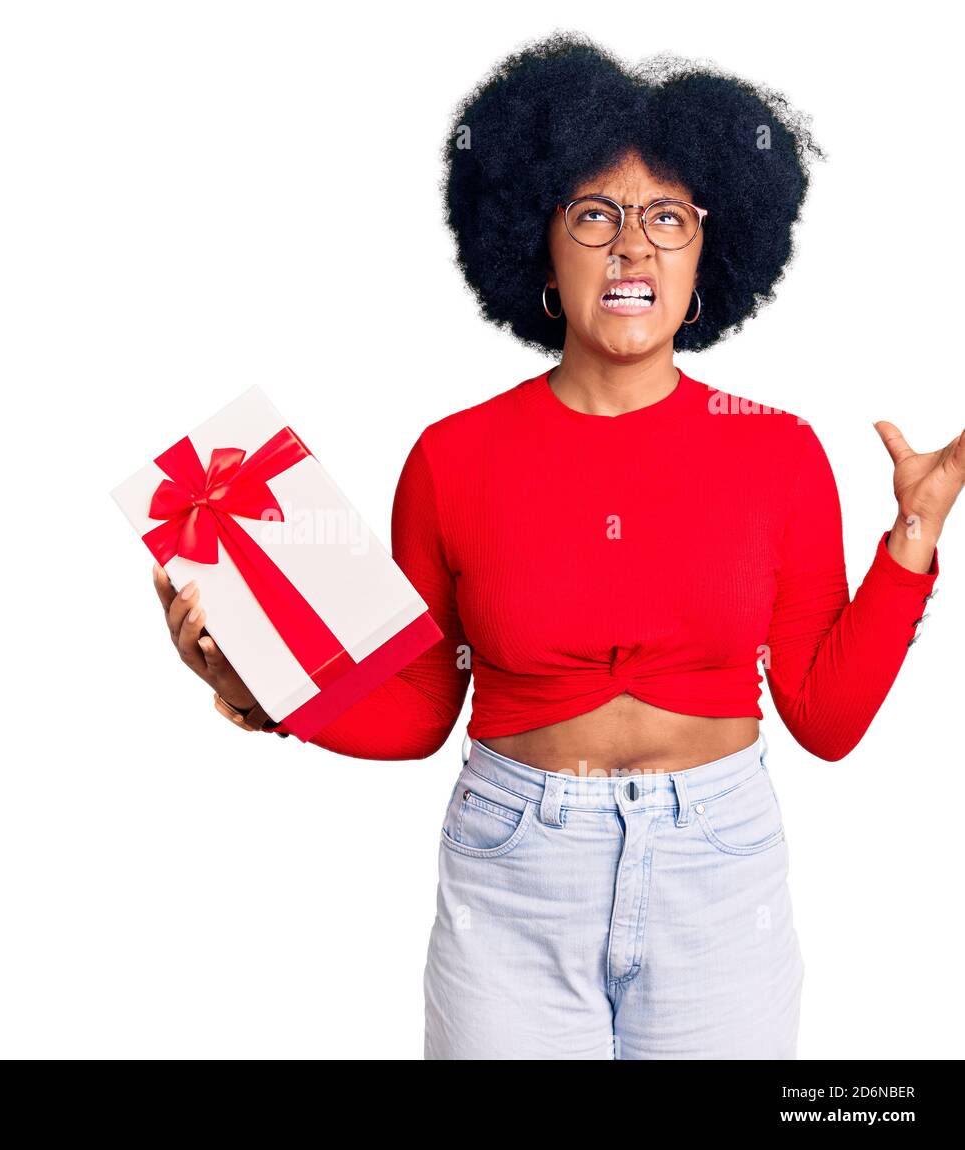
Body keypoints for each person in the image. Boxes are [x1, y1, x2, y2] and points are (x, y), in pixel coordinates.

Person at [150, 32, 963, 1058]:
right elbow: (416, 712)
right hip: (512, 876)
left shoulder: (779, 452)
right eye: (596, 214)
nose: (633, 245)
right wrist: (264, 690)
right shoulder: (450, 459)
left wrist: (913, 538)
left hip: (720, 876)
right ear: (540, 242)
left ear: (710, 250)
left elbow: (826, 717)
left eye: (667, 216)